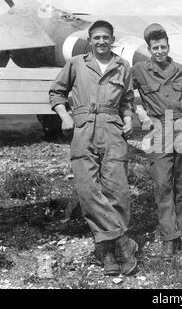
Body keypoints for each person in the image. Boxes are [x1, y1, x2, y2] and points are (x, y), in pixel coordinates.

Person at [49, 20, 138, 276]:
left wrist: (129, 119)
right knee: (87, 190)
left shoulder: (123, 66)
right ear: (90, 39)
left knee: (117, 191)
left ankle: (109, 253)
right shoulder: (76, 63)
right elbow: (56, 92)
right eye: (97, 37)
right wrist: (65, 116)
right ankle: (120, 242)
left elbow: (127, 100)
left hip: (112, 129)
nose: (101, 42)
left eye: (106, 37)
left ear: (112, 39)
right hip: (83, 127)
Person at [132, 23, 182, 260]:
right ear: (149, 49)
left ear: (169, 46)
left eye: (163, 46)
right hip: (158, 127)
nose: (160, 51)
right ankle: (170, 237)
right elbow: (126, 95)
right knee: (162, 184)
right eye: (155, 47)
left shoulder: (178, 68)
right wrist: (139, 113)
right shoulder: (139, 69)